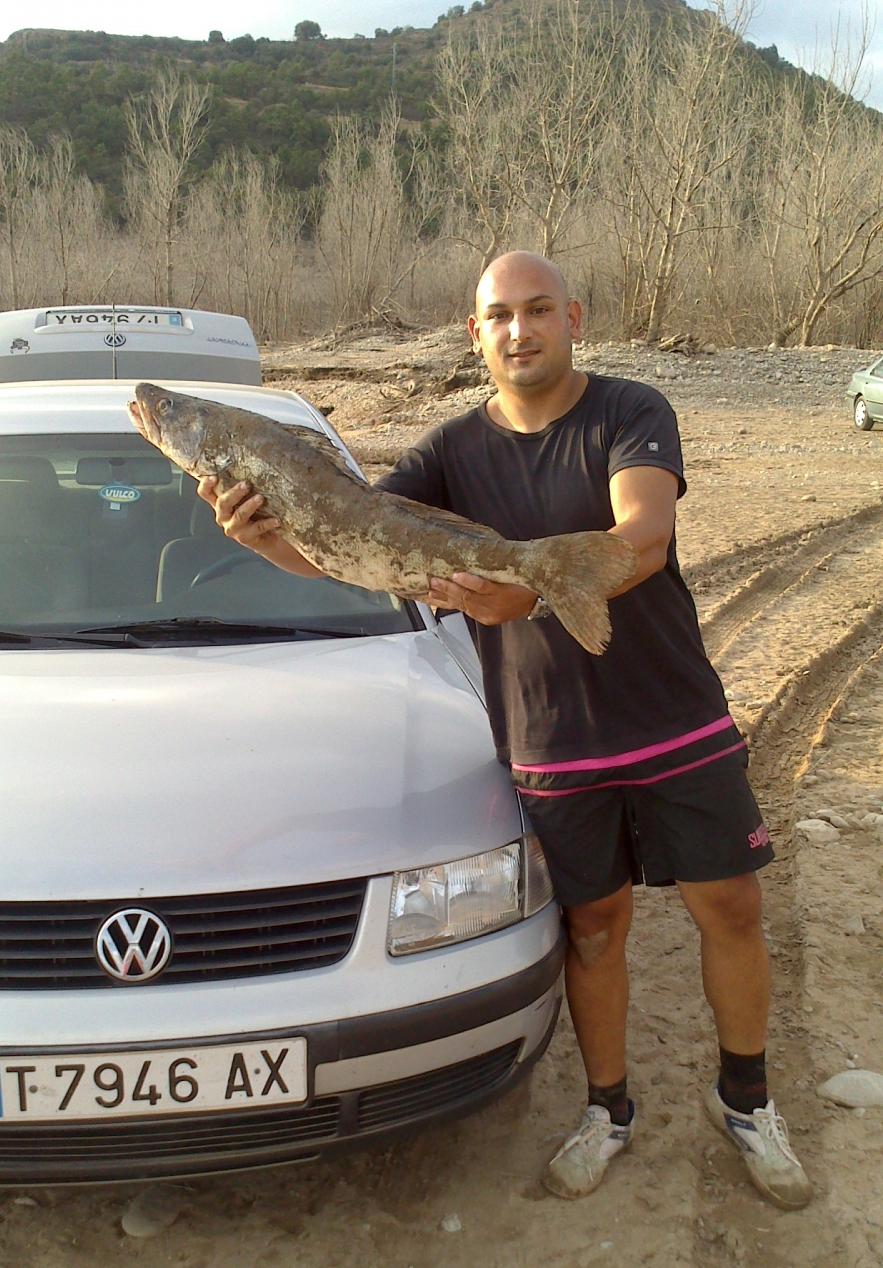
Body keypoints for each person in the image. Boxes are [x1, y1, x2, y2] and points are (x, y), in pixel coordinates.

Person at [197, 251, 812, 1212]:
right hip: (550, 738)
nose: (520, 331)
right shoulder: (449, 450)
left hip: (674, 717)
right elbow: (355, 541)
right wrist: (269, 538)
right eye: (500, 316)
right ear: (475, 333)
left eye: (538, 310)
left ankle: (747, 1100)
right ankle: (607, 1110)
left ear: (573, 318)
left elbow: (643, 534)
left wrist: (528, 593)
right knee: (594, 929)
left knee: (730, 907)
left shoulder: (629, 410)